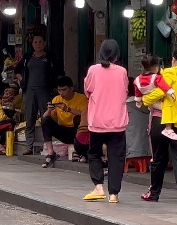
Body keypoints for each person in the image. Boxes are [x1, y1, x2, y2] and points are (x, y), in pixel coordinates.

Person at [142, 46, 177, 203]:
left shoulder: (168, 73)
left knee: (159, 158)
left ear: (174, 59)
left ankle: (154, 193)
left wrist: (146, 100)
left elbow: (160, 91)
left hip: (162, 120)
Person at [83, 39, 130, 203]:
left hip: (97, 121)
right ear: (116, 55)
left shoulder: (93, 70)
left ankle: (98, 187)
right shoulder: (122, 72)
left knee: (94, 153)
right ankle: (114, 194)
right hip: (117, 121)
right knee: (116, 157)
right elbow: (125, 91)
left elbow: (87, 91)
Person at [18, 33, 61, 156]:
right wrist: (21, 80)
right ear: (32, 44)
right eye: (35, 42)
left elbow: (58, 71)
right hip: (30, 91)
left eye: (40, 42)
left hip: (45, 91)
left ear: (45, 43)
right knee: (29, 119)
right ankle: (29, 146)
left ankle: (48, 146)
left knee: (46, 118)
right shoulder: (27, 57)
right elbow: (17, 70)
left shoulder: (50, 57)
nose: (38, 44)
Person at [39, 75, 88, 167]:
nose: (61, 93)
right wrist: (49, 110)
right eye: (59, 90)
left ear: (71, 88)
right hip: (63, 131)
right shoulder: (57, 99)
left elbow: (85, 114)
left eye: (64, 90)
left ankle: (80, 151)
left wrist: (68, 109)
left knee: (77, 118)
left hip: (77, 131)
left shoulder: (81, 98)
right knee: (45, 120)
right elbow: (44, 117)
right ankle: (51, 152)